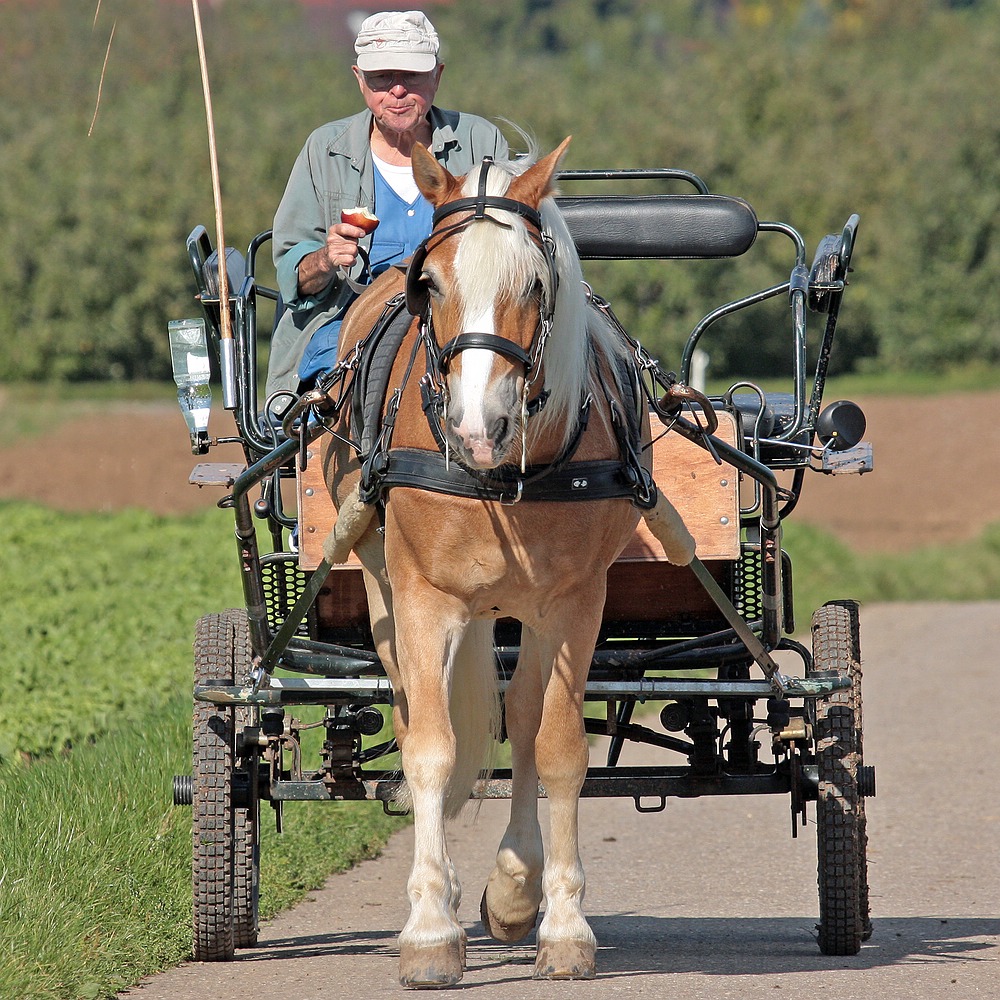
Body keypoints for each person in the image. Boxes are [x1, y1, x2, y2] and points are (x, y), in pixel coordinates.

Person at [265, 10, 510, 398]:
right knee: (338, 375)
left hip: (460, 324)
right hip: (346, 325)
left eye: (411, 76)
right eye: (381, 77)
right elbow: (293, 275)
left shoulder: (483, 144)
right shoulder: (323, 151)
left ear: (437, 76)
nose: (397, 90)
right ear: (359, 80)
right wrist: (327, 258)